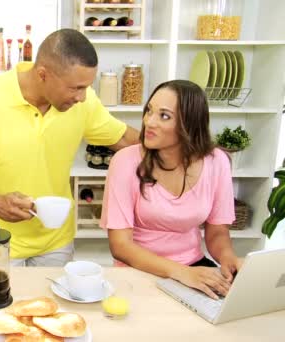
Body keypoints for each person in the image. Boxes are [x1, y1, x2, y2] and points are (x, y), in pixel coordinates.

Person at [0, 29, 139, 266]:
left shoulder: (84, 103)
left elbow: (123, 138)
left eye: (86, 87)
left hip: (57, 243)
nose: (82, 97)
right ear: (43, 75)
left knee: (54, 304)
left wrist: (178, 147)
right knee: (1, 304)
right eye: (75, 88)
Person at [100, 80, 241, 299]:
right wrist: (181, 273)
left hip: (193, 267)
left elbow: (218, 232)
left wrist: (227, 258)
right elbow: (120, 246)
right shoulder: (125, 161)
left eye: (164, 116)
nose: (149, 122)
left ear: (189, 125)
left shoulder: (217, 162)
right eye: (149, 111)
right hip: (138, 271)